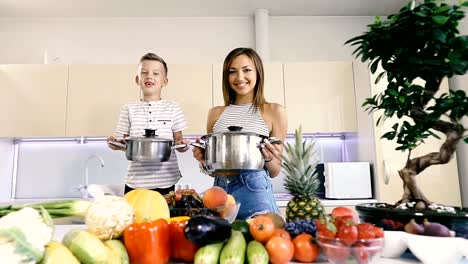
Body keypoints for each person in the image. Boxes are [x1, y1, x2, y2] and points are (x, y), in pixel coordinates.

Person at [193, 47, 287, 219]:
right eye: (232, 72)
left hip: (255, 190)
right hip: (221, 190)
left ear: (258, 73)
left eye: (247, 70)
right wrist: (204, 160)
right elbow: (215, 170)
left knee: (260, 239)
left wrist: (268, 158)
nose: (240, 78)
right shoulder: (215, 113)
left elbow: (274, 171)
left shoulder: (274, 111)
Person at [107, 53, 190, 195]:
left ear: (165, 81)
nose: (149, 76)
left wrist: (184, 145)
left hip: (166, 181)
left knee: (164, 217)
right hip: (135, 182)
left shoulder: (173, 107)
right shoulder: (129, 109)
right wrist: (115, 144)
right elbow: (126, 145)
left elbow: (178, 143)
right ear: (137, 79)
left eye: (156, 73)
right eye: (144, 72)